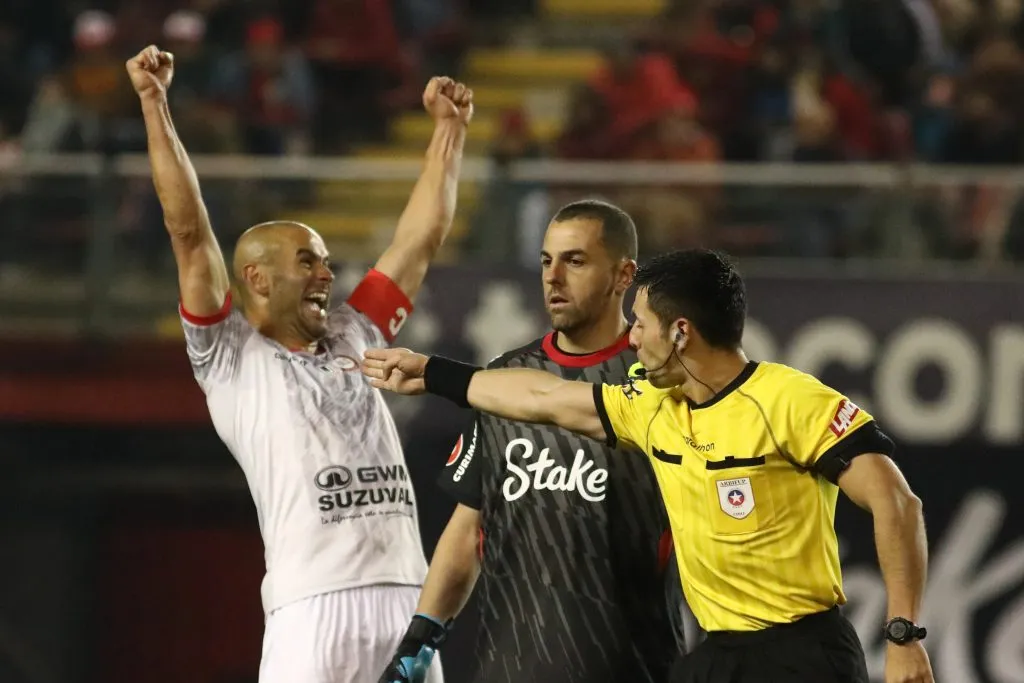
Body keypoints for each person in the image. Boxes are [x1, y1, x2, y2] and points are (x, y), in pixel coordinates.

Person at [362, 248, 936, 683]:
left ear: (680, 331)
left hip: (802, 654)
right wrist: (434, 373)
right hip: (717, 653)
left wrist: (904, 635)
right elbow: (544, 397)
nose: (631, 336)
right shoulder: (652, 405)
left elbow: (897, 502)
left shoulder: (790, 400)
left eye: (639, 322)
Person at [125, 45, 473, 683]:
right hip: (312, 608)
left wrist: (449, 132)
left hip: (408, 598)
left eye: (327, 261)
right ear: (256, 277)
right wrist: (155, 103)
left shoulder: (357, 332)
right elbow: (189, 232)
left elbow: (420, 239)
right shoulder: (228, 355)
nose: (326, 273)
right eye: (307, 260)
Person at [379, 200, 686, 683]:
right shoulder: (503, 379)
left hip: (630, 669)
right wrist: (419, 641)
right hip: (508, 669)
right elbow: (468, 528)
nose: (553, 278)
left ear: (624, 275)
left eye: (575, 261)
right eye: (546, 261)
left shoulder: (660, 383)